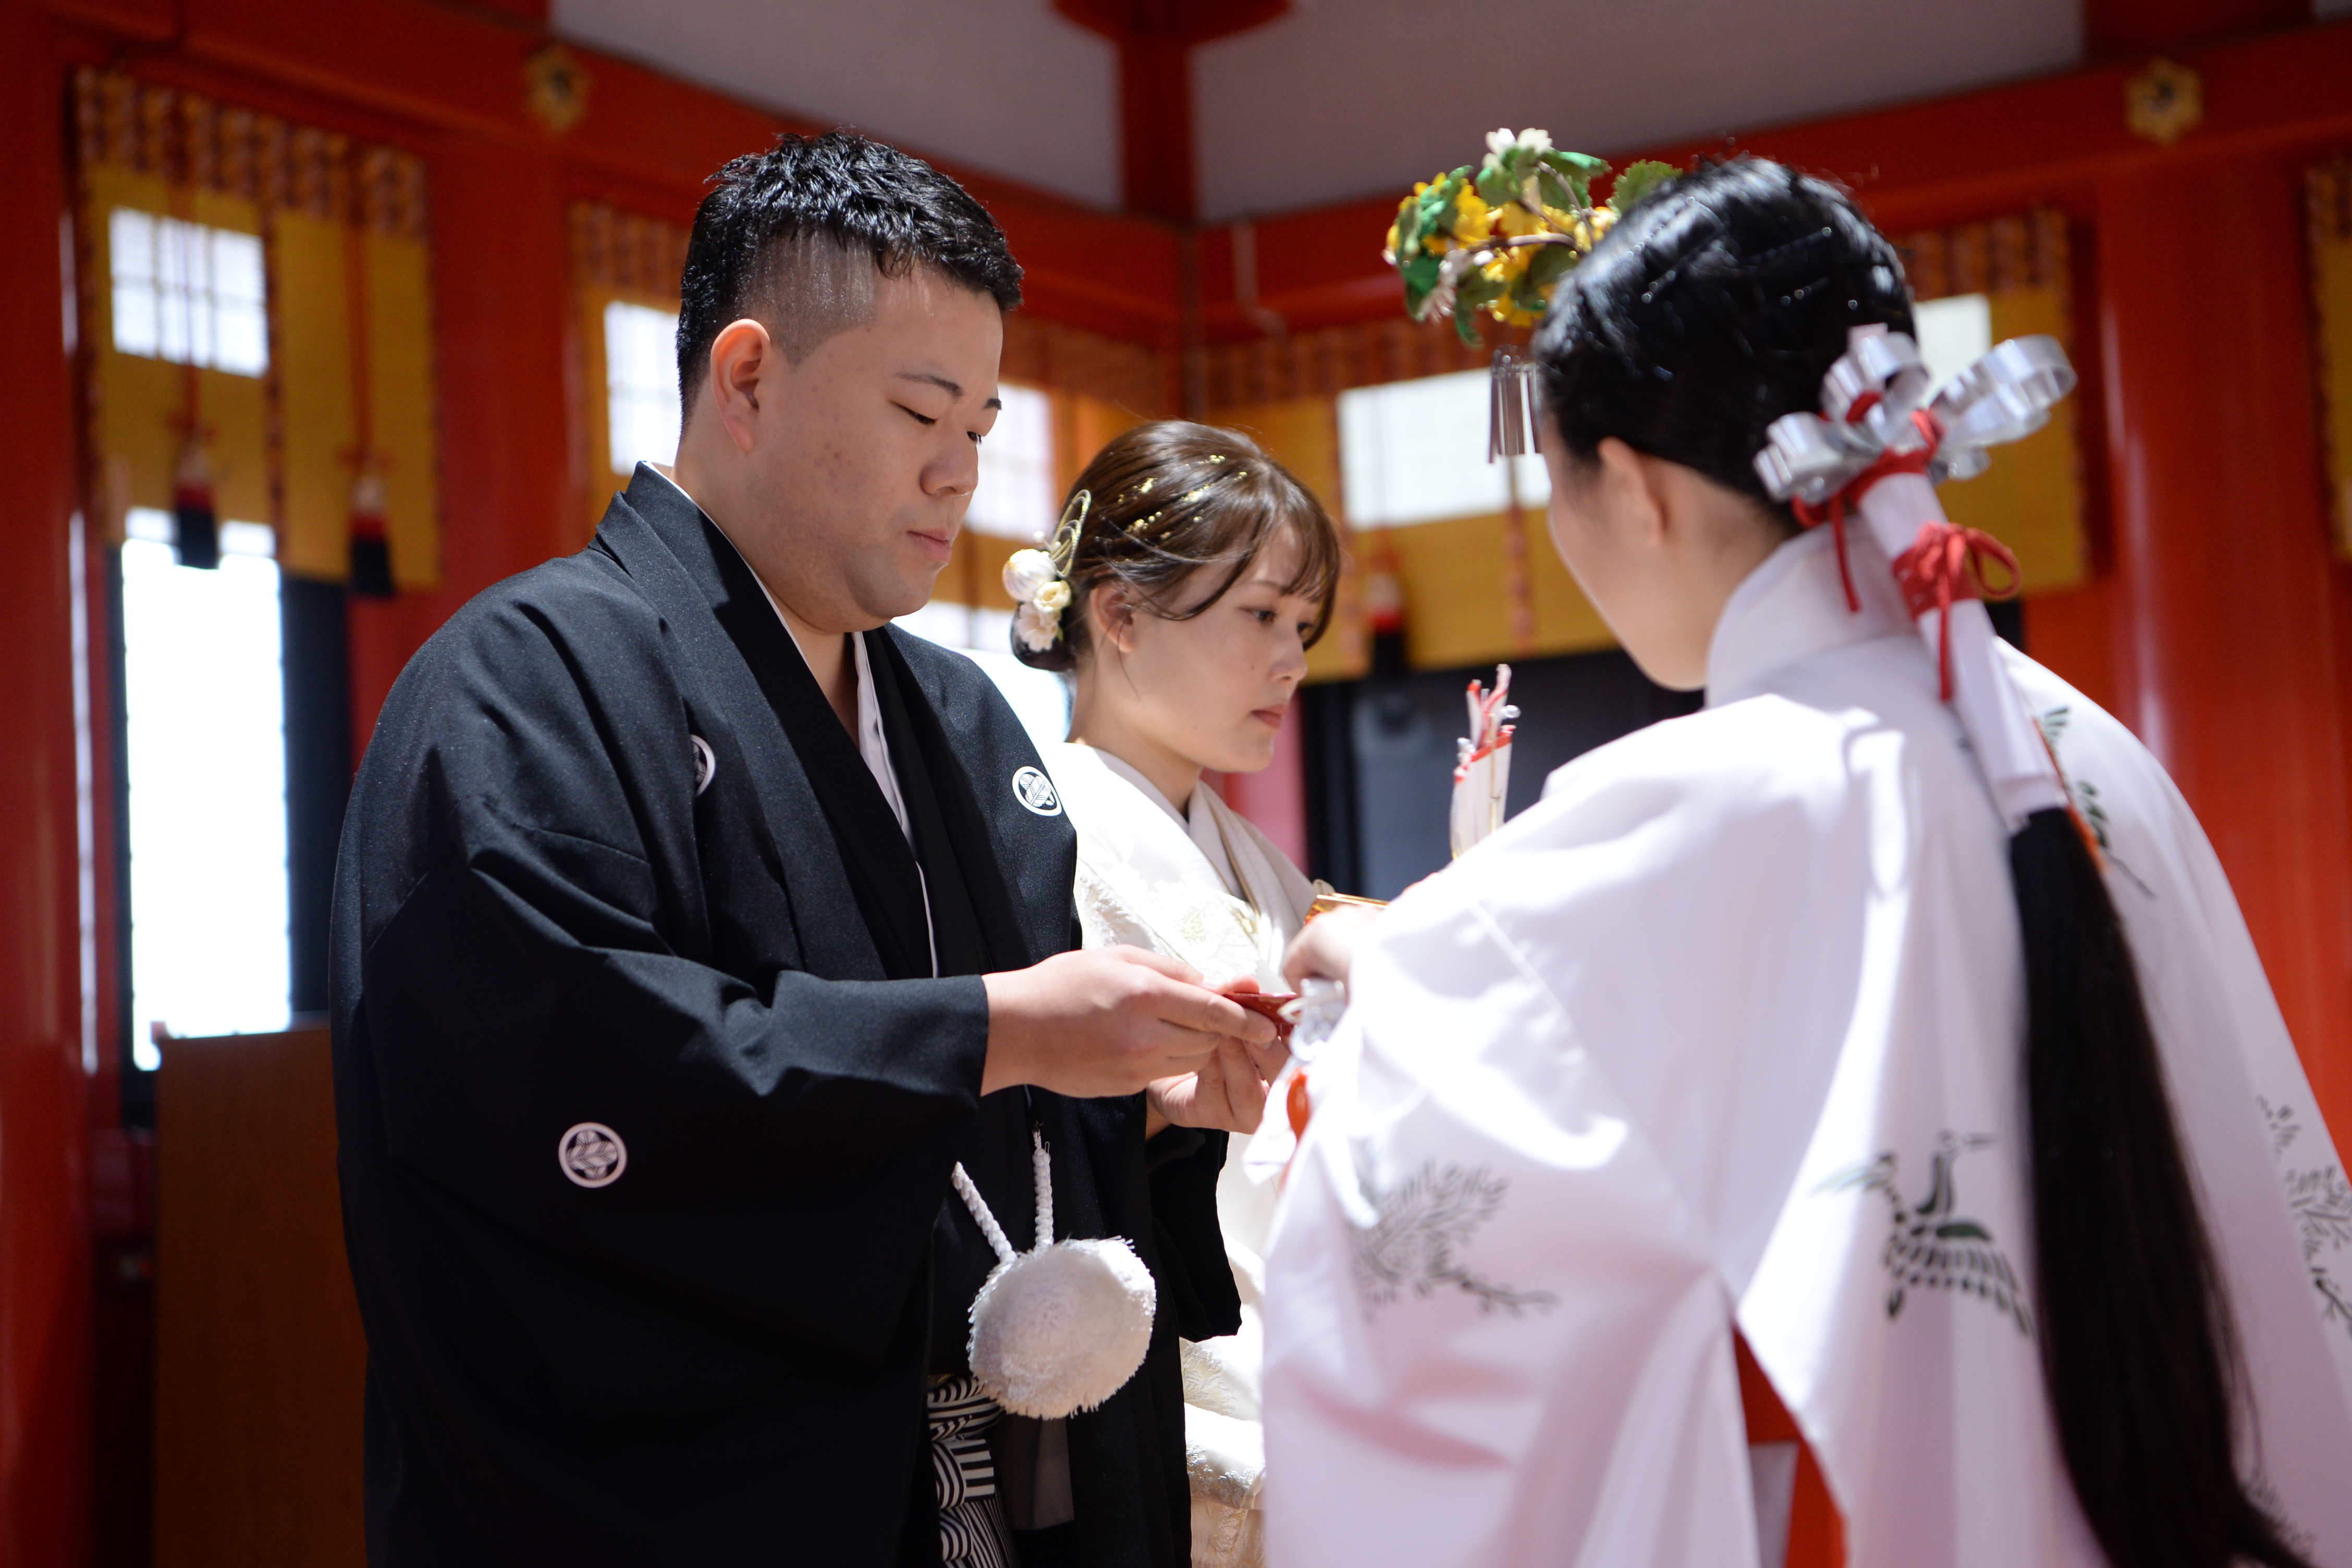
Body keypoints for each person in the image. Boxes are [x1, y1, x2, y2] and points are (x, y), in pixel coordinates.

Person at [1262, 158, 2352, 1568]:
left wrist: (1367, 974)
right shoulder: (2080, 744)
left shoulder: (1709, 797)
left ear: (1638, 491)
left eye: (1558, 481)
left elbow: (1451, 1174)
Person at [329, 131, 1277, 1568]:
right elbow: (575, 1084)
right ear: (750, 376)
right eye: (920, 412)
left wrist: (1133, 1112)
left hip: (986, 1482)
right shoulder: (529, 676)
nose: (962, 474)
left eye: (982, 426)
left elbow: (997, 1130)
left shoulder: (958, 717)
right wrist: (996, 1033)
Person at [1002, 421, 1342, 1567]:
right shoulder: (1038, 833)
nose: (1291, 660)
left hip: (1287, 1335)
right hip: (1168, 1369)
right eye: (1258, 616)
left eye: (1303, 627)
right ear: (1121, 614)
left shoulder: (1252, 856)